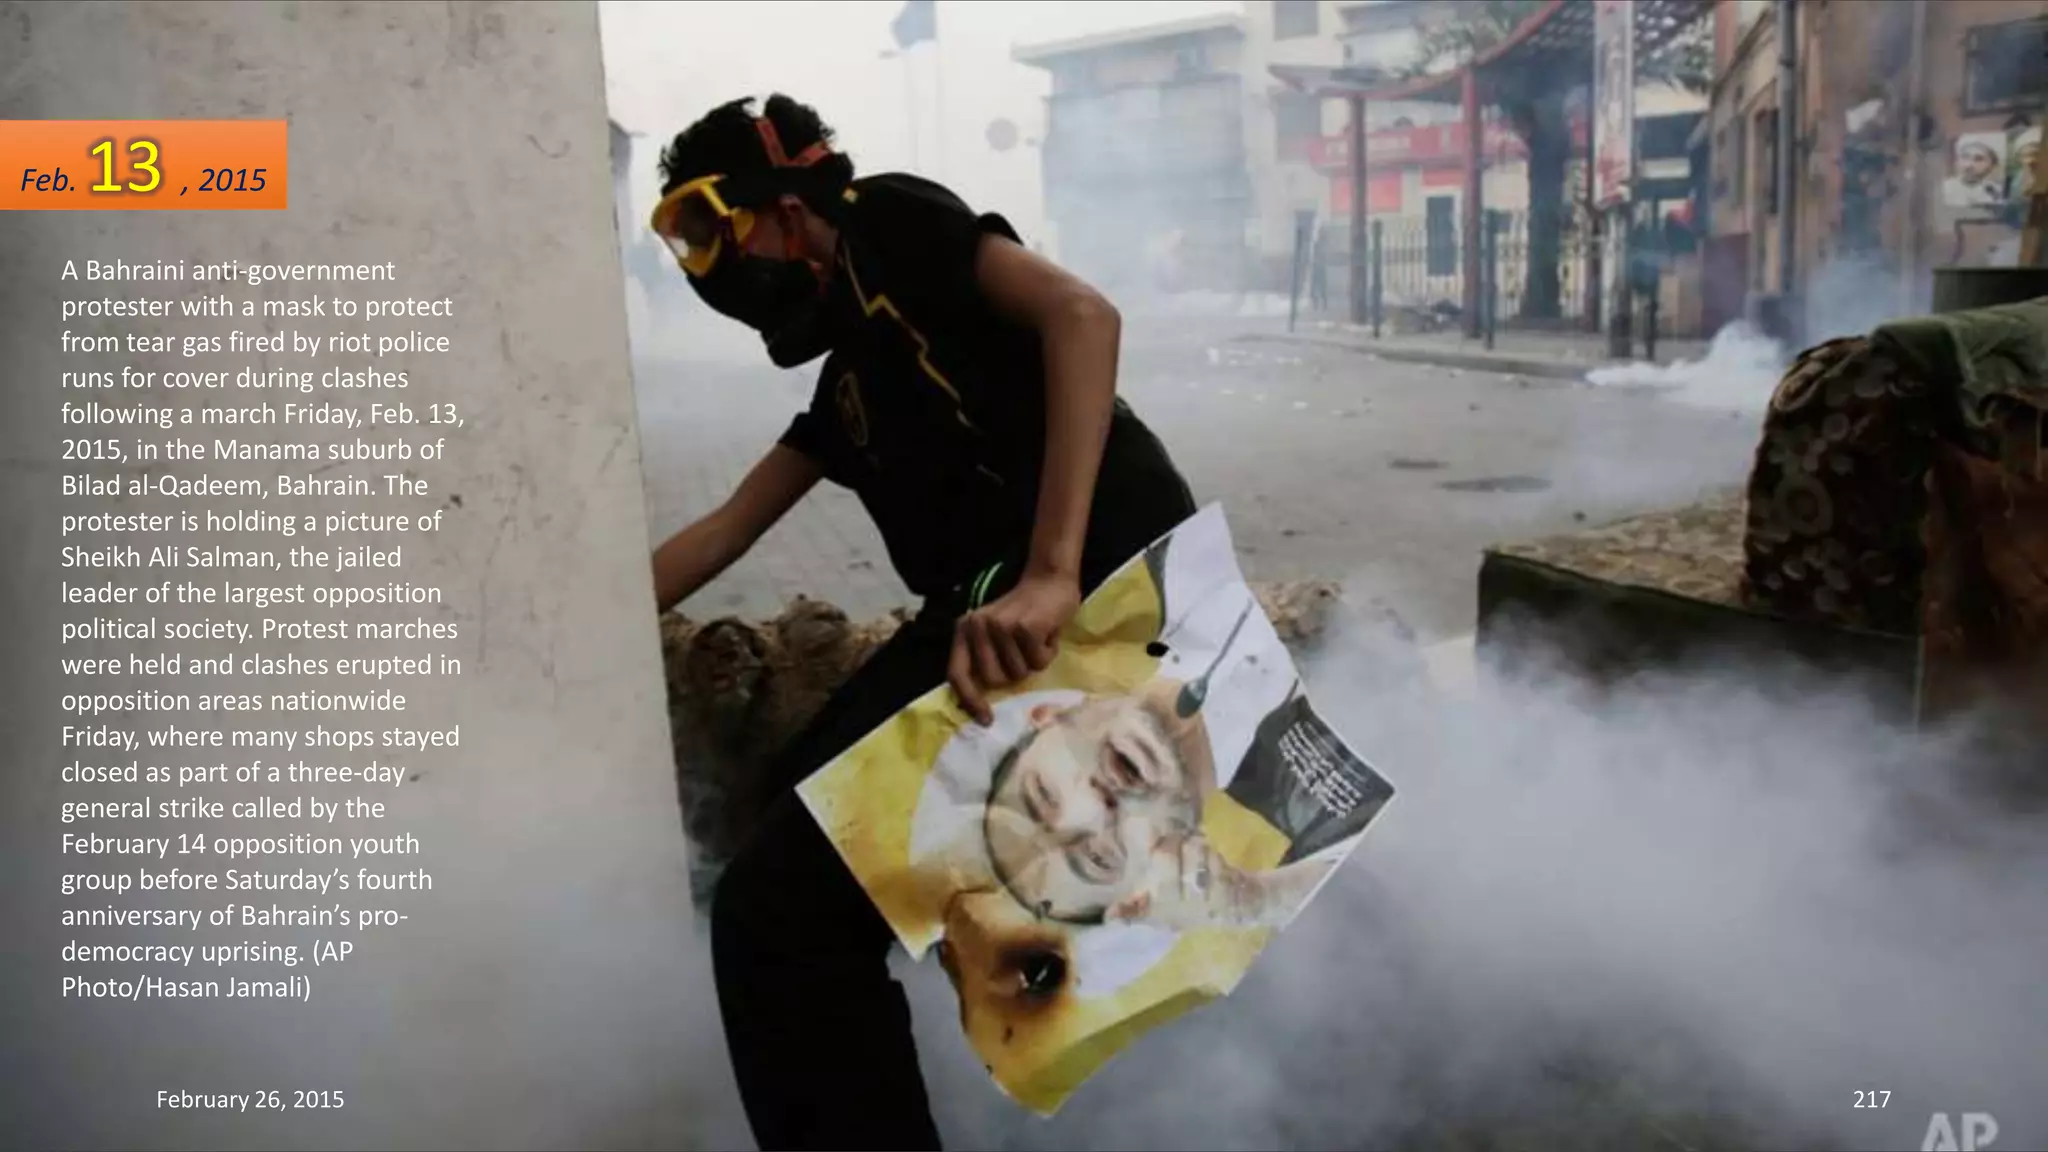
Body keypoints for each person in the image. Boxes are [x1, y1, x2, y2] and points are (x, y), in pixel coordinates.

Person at [646, 94, 1197, 1150]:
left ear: (785, 203)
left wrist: (1050, 572)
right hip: (984, 615)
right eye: (680, 244)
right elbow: (722, 532)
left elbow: (1083, 316)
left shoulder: (889, 223)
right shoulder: (847, 385)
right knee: (776, 819)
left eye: (708, 227)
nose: (701, 264)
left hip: (1091, 593)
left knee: (775, 918)